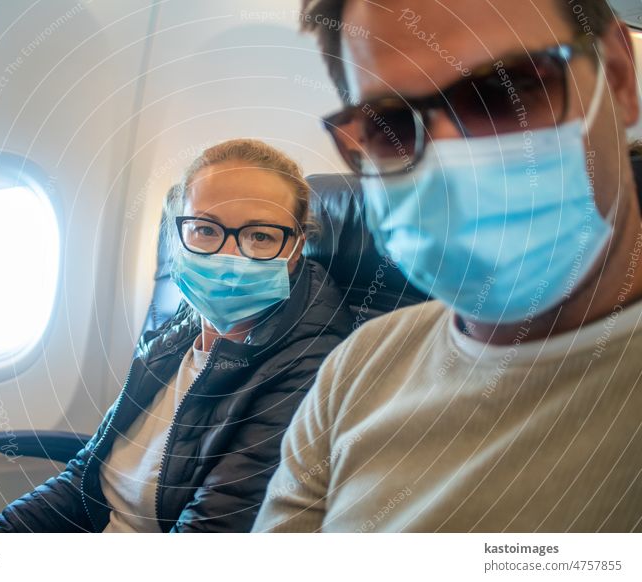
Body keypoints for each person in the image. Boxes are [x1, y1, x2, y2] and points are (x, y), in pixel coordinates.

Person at [254, 0, 642, 532]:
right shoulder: (355, 369)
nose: (449, 158)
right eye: (389, 124)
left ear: (618, 80)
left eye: (503, 92)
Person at [0, 138, 353, 532]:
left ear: (295, 250)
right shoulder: (182, 327)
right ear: (180, 236)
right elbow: (83, 478)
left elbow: (210, 532)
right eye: (206, 229)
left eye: (260, 236)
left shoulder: (309, 365)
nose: (230, 257)